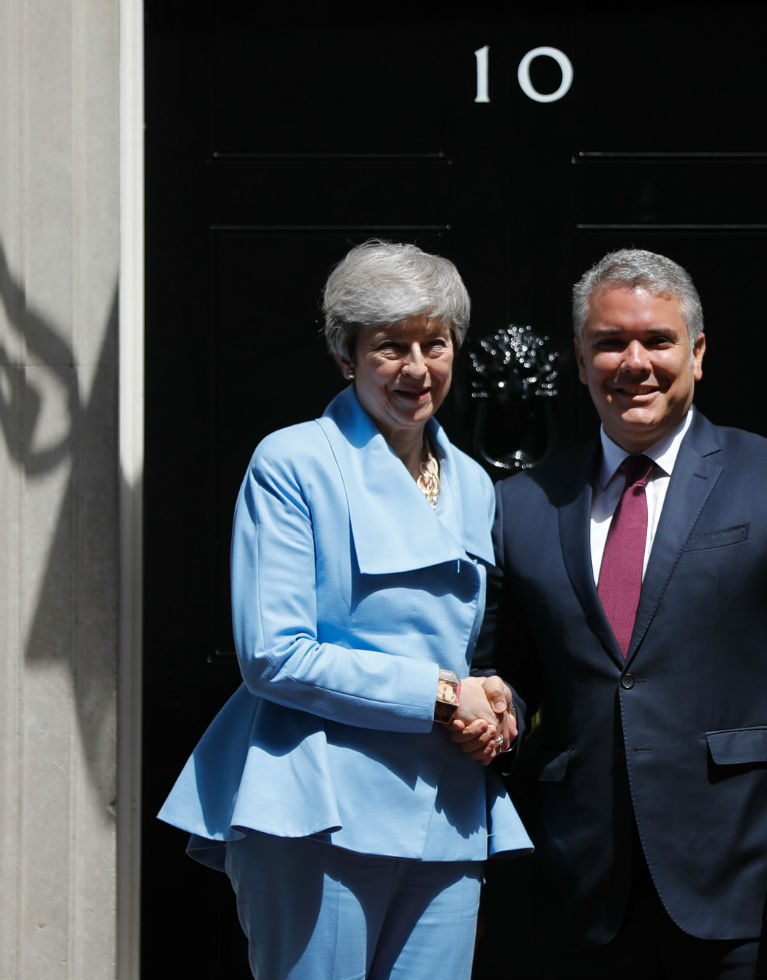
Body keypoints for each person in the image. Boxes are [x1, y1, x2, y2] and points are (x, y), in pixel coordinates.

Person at [471, 249, 767, 978]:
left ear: (698, 351)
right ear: (579, 356)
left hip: (751, 882)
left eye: (657, 340)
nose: (634, 362)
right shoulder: (523, 504)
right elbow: (509, 669)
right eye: (609, 342)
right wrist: (492, 700)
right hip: (579, 886)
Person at [159, 240, 530, 980]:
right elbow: (274, 653)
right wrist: (439, 693)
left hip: (446, 807)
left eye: (435, 343)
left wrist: (493, 696)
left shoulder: (474, 484)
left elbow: (465, 647)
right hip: (317, 804)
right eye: (390, 347)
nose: (417, 369)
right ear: (345, 355)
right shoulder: (293, 462)